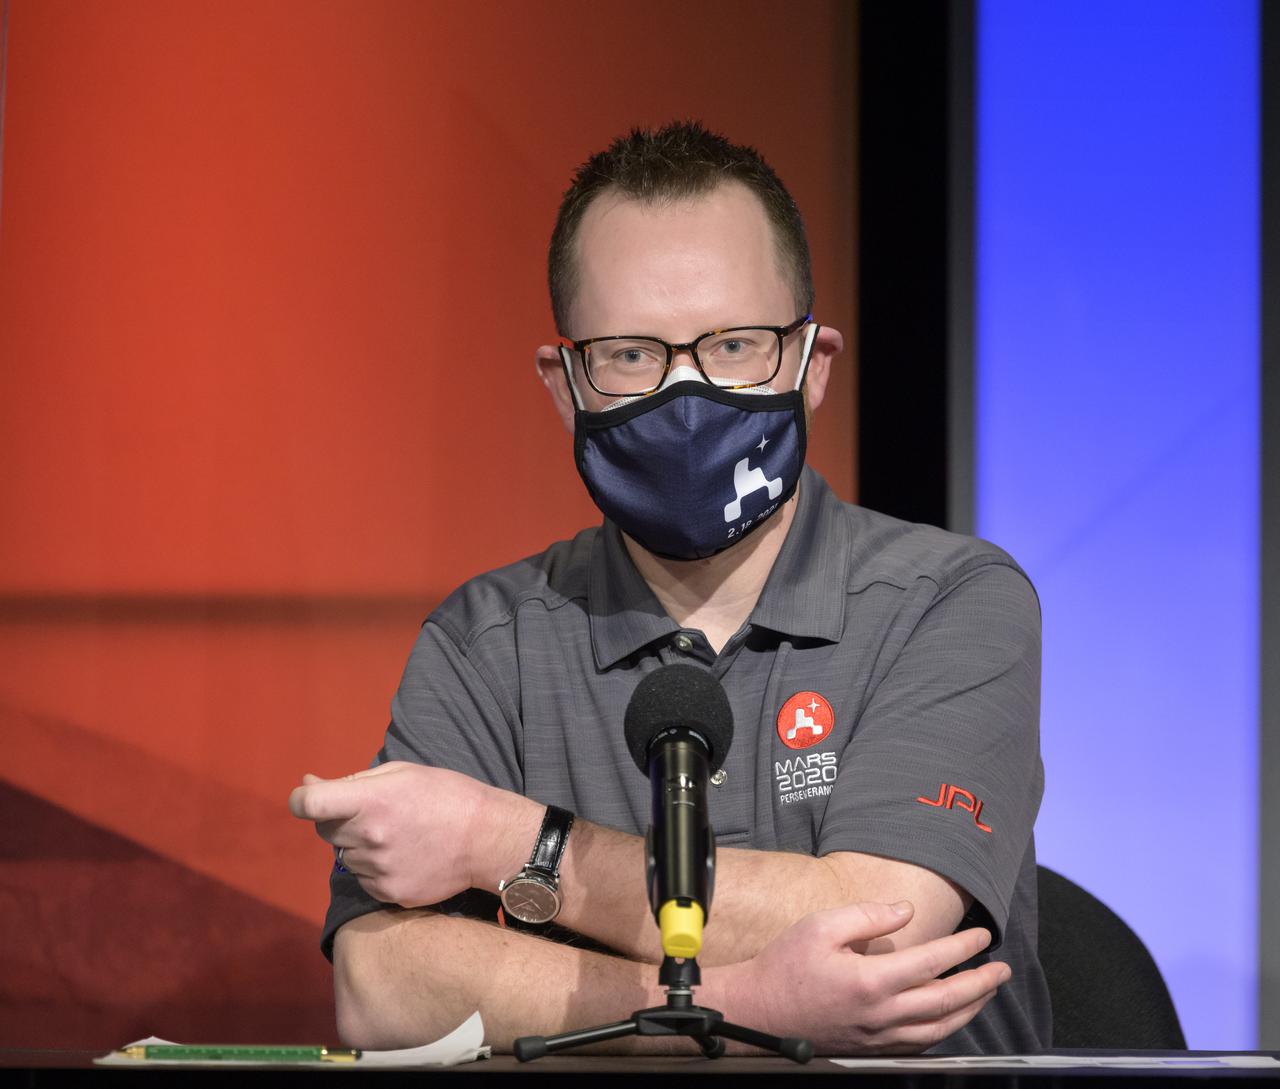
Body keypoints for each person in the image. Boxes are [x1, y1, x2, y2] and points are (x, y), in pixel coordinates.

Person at [289, 121, 1049, 1055]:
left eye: (734, 345)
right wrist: (741, 1001)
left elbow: (886, 926)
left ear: (813, 366)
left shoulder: (952, 599)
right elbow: (380, 985)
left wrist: (514, 842)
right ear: (567, 385)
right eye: (633, 354)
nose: (687, 396)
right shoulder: (485, 638)